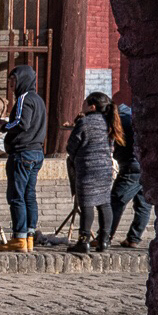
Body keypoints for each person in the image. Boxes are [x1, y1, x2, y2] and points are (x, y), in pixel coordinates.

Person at [0, 63, 47, 250]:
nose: (11, 85)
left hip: (23, 154)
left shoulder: (24, 99)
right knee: (29, 195)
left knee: (17, 196)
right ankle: (29, 237)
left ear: (22, 80)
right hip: (36, 153)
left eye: (13, 80)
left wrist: (3, 126)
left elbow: (21, 123)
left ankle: (19, 238)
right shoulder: (39, 100)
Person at [66, 91, 121, 254]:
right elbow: (111, 147)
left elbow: (71, 145)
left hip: (87, 168)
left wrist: (75, 157)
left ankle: (84, 241)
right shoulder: (108, 122)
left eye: (84, 103)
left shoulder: (84, 122)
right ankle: (104, 240)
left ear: (92, 106)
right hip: (104, 168)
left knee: (87, 204)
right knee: (104, 203)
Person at [107, 100, 153, 248]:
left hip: (132, 166)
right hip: (145, 164)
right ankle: (134, 238)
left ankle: (105, 236)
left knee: (116, 201)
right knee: (143, 204)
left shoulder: (121, 120)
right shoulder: (132, 115)